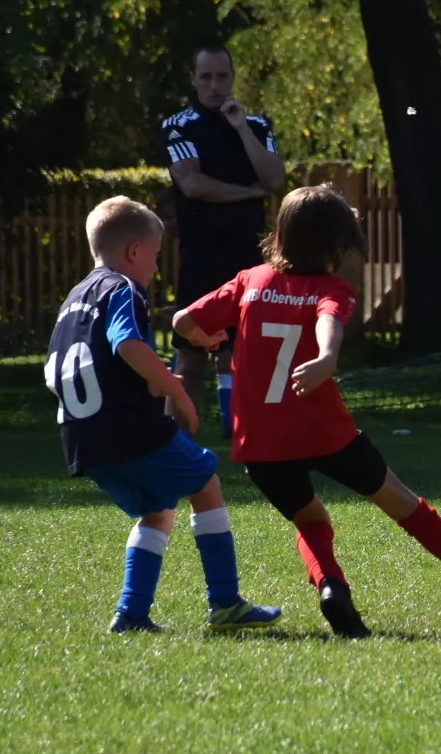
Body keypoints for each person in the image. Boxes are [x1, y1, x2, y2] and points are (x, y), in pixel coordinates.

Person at [172, 185, 441, 635]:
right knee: (406, 506)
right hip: (324, 432)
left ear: (280, 234)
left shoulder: (249, 281)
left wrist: (204, 338)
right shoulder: (331, 288)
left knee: (310, 520)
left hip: (261, 444)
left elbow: (183, 320)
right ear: (336, 243)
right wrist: (327, 357)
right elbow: (328, 320)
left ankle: (331, 589)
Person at [46, 196, 282, 634]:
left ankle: (131, 615)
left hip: (80, 436)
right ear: (134, 251)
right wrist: (176, 388)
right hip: (128, 426)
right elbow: (127, 344)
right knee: (206, 484)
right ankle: (225, 602)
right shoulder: (122, 288)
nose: (156, 268)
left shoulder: (75, 298)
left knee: (157, 508)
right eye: (155, 256)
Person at [162, 43, 286, 430]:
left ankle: (247, 436)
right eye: (206, 77)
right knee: (190, 357)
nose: (214, 86)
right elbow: (193, 184)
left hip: (250, 257)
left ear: (232, 78)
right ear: (194, 80)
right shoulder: (179, 125)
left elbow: (274, 179)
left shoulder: (257, 125)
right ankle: (176, 440)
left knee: (245, 354)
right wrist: (248, 193)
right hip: (201, 256)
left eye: (222, 76)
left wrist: (241, 128)